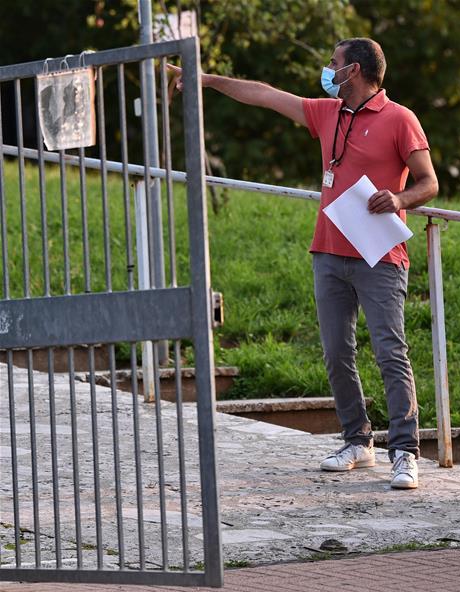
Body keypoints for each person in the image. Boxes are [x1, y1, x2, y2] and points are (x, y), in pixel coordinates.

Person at [169, 38, 438, 490]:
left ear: (354, 70)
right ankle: (358, 441)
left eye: (333, 63)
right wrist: (206, 80)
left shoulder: (400, 119)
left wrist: (399, 199)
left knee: (390, 352)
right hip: (328, 252)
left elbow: (428, 183)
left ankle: (405, 451)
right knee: (336, 353)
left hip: (379, 255)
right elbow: (264, 94)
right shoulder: (328, 112)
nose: (328, 69)